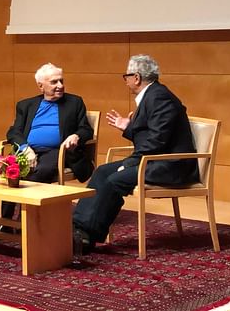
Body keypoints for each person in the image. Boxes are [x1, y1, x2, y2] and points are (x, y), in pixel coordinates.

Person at [72, 54, 199, 253]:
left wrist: (131, 162)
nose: (126, 82)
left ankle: (87, 235)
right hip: (153, 159)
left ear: (137, 77)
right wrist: (129, 128)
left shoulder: (159, 97)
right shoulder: (152, 95)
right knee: (103, 171)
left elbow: (157, 140)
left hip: (171, 165)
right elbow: (152, 135)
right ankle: (77, 227)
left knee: (115, 180)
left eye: (127, 77)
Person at [0, 63, 94, 230]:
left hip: (58, 152)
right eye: (54, 82)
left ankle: (25, 218)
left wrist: (76, 135)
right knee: (11, 171)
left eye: (61, 81)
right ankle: (5, 222)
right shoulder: (26, 105)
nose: (60, 86)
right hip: (29, 150)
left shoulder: (74, 102)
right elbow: (14, 132)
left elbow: (86, 129)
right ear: (40, 86)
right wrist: (24, 148)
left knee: (39, 172)